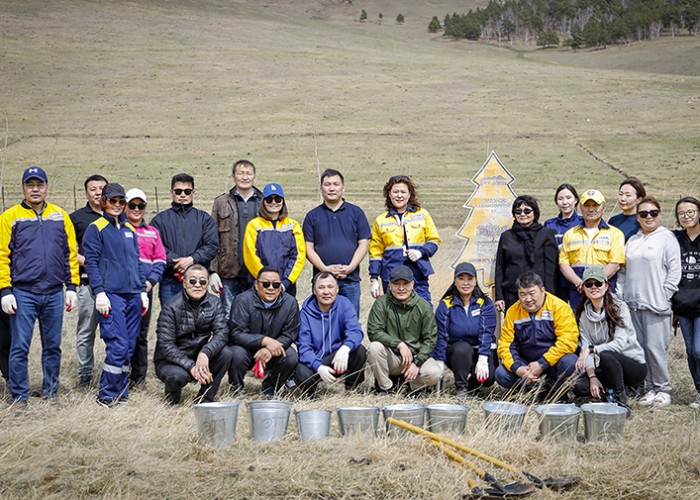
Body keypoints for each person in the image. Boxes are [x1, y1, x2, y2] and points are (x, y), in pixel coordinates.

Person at [0, 167, 79, 408]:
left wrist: (72, 286)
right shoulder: (9, 217)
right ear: (23, 188)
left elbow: (70, 254)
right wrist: (5, 290)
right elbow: (2, 256)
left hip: (54, 292)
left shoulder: (60, 216)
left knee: (52, 346)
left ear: (47, 187)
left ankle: (51, 393)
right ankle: (20, 396)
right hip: (23, 293)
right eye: (30, 185)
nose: (35, 189)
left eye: (40, 184)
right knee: (20, 346)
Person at [83, 183, 148, 407]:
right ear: (104, 202)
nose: (118, 205)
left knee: (128, 346)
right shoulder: (96, 228)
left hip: (132, 295)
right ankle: (107, 395)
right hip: (112, 296)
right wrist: (100, 293)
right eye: (113, 200)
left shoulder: (130, 229)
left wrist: (142, 291)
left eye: (122, 201)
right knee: (117, 345)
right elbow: (91, 263)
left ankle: (121, 392)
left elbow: (137, 263)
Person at [623, 197, 681, 407]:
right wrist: (623, 295)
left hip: (656, 305)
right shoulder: (634, 240)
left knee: (655, 348)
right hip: (633, 304)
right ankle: (649, 388)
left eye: (653, 213)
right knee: (641, 349)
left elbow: (674, 272)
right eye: (643, 214)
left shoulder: (666, 238)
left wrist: (664, 296)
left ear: (659, 214)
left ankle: (663, 388)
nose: (649, 217)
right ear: (637, 217)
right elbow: (623, 269)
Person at [154, 264, 233, 404]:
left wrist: (205, 353)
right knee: (177, 376)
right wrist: (191, 366)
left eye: (202, 282)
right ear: (184, 283)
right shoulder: (171, 307)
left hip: (200, 356)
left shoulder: (215, 303)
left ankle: (204, 397)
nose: (198, 285)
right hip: (171, 360)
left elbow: (222, 333)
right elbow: (166, 345)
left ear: (207, 284)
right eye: (192, 281)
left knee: (226, 353)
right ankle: (171, 398)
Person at [495, 272, 579, 401]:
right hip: (526, 364)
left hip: (552, 362)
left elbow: (568, 341)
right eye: (522, 294)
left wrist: (542, 364)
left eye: (532, 293)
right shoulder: (513, 311)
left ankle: (558, 393)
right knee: (501, 374)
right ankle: (535, 390)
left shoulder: (559, 307)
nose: (527, 299)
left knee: (570, 362)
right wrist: (518, 368)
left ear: (542, 290)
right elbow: (505, 344)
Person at [573, 265, 646, 408]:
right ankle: (608, 393)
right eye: (589, 284)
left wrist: (592, 349)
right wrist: (592, 377)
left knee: (606, 355)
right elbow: (585, 349)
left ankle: (620, 399)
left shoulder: (620, 307)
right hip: (606, 366)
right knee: (579, 387)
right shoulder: (583, 315)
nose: (594, 287)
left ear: (606, 286)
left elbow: (619, 344)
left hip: (633, 365)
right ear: (584, 288)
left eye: (598, 283)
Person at [303, 169, 371, 316]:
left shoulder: (356, 213)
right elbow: (308, 248)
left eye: (336, 184)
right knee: (322, 322)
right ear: (321, 189)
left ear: (343, 188)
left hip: (350, 280)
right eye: (327, 184)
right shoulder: (312, 216)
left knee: (350, 322)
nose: (332, 188)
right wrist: (324, 268)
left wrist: (350, 267)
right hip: (322, 281)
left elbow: (363, 243)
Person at [367, 265, 443, 395]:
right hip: (392, 357)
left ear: (412, 284)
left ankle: (411, 388)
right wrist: (399, 344)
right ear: (389, 285)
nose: (401, 288)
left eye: (405, 284)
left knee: (434, 373)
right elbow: (374, 331)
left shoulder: (423, 306)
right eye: (396, 284)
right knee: (374, 348)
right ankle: (386, 389)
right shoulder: (381, 303)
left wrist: (417, 362)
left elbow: (430, 339)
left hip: (416, 356)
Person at [228, 266, 300, 397]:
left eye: (276, 284)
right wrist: (264, 341)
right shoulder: (242, 300)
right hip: (247, 351)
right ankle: (236, 389)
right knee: (235, 353)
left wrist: (269, 349)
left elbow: (290, 334)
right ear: (256, 284)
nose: (271, 288)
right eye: (266, 284)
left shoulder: (290, 303)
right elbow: (236, 333)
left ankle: (270, 388)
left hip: (274, 351)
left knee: (291, 355)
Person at [294, 272, 367, 398]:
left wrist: (345, 348)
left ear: (337, 289)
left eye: (330, 287)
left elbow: (355, 331)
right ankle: (310, 395)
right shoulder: (304, 314)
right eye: (321, 287)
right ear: (314, 291)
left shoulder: (344, 304)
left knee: (359, 351)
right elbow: (304, 348)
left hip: (338, 358)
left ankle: (351, 389)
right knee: (301, 373)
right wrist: (319, 367)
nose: (326, 292)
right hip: (316, 361)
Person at [369, 175, 440, 303]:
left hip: (418, 274)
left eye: (403, 192)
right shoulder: (380, 221)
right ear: (389, 194)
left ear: (409, 194)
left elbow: (434, 240)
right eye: (395, 192)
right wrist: (374, 279)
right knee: (394, 318)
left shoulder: (422, 215)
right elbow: (375, 253)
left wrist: (421, 252)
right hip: (391, 276)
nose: (399, 195)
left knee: (424, 313)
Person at [151, 173, 219, 305]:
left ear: (193, 193)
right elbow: (154, 246)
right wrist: (176, 261)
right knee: (171, 321)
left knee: (198, 322)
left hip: (197, 280)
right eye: (178, 191)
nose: (183, 195)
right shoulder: (159, 220)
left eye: (187, 191)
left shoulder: (204, 219)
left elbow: (212, 245)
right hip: (170, 281)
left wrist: (192, 259)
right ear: (172, 193)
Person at [434, 262, 497, 401]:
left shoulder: (485, 303)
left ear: (475, 281)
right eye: (461, 278)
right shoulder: (446, 304)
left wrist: (483, 359)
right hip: (458, 353)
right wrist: (439, 360)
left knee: (489, 378)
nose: (465, 283)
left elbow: (487, 332)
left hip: (481, 350)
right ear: (455, 281)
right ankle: (461, 387)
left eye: (469, 278)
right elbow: (441, 334)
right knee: (463, 349)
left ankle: (474, 385)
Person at [209, 160, 263, 319]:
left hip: (257, 272)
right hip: (228, 272)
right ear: (233, 176)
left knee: (255, 316)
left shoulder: (265, 202)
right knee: (227, 315)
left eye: (248, 173)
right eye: (240, 173)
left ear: (254, 176)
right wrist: (213, 271)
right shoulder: (221, 202)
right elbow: (213, 239)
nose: (244, 177)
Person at [124, 188, 166, 391]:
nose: (136, 209)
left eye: (140, 206)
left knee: (141, 333)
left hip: (144, 290)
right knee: (122, 333)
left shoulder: (152, 232)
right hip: (122, 290)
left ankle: (139, 378)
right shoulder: (118, 229)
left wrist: (150, 282)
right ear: (125, 206)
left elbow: (160, 260)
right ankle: (120, 373)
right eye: (132, 205)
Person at [70, 174, 108, 387]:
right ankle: (85, 372)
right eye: (93, 189)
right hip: (88, 284)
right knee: (86, 330)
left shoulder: (116, 215)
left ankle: (117, 370)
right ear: (86, 193)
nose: (97, 192)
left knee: (115, 331)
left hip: (114, 284)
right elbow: (68, 251)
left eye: (102, 188)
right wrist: (90, 262)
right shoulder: (76, 218)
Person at [559, 189, 626, 311]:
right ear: (580, 207)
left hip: (604, 294)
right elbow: (564, 264)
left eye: (595, 205)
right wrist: (581, 284)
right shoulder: (570, 234)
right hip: (577, 294)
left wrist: (594, 284)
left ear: (604, 208)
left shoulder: (615, 234)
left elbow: (615, 264)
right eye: (587, 205)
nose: (591, 209)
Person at [494, 195, 558, 312]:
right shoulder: (506, 236)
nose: (523, 214)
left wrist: (549, 294)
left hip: (538, 293)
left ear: (535, 213)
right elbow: (500, 267)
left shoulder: (546, 234)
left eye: (527, 211)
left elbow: (551, 268)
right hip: (512, 293)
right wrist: (499, 296)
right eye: (518, 212)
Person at [243, 183, 305, 297]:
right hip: (260, 285)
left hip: (286, 286)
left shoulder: (293, 225)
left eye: (277, 199)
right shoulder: (254, 225)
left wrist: (286, 281)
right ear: (263, 202)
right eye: (269, 200)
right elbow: (250, 255)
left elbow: (298, 256)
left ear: (283, 201)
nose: (274, 203)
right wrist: (265, 281)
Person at [672, 196, 700, 408]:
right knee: (690, 351)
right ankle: (698, 390)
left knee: (699, 350)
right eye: (682, 213)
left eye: (690, 212)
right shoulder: (675, 239)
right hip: (682, 304)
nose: (686, 216)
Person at [544, 183, 583, 302]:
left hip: (579, 277)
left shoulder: (583, 222)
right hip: (557, 279)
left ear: (576, 200)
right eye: (560, 199)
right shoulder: (549, 225)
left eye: (568, 198)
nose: (565, 202)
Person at [609, 177, 646, 241]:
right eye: (620, 194)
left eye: (628, 195)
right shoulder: (613, 221)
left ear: (639, 199)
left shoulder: (643, 221)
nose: (622, 199)